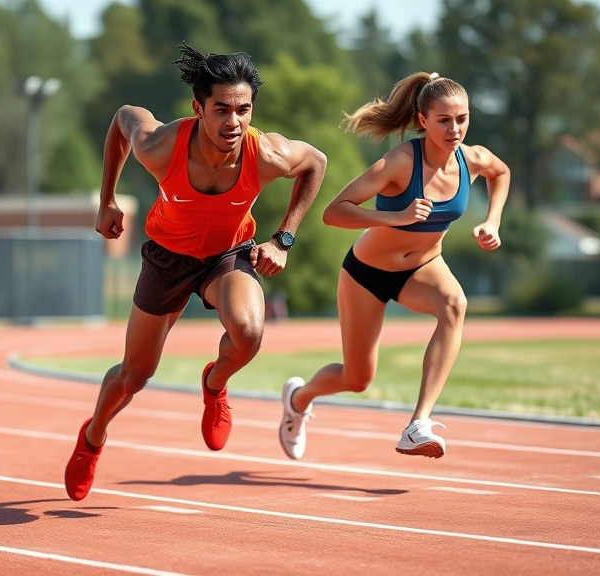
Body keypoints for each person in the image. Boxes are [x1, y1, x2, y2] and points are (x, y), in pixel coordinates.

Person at [65, 42, 328, 501]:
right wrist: (107, 199)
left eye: (243, 110)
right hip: (167, 258)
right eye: (221, 109)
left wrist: (284, 237)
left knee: (248, 333)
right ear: (198, 108)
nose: (233, 121)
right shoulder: (161, 146)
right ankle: (93, 438)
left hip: (227, 255)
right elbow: (124, 118)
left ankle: (215, 382)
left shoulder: (264, 153)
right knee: (134, 375)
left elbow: (316, 163)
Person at [278, 72, 510, 461]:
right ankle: (298, 399)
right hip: (366, 274)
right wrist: (395, 217)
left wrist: (493, 221)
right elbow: (334, 213)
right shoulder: (400, 162)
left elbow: (500, 173)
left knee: (455, 305)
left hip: (423, 267)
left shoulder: (473, 159)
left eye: (462, 119)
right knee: (357, 378)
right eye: (444, 121)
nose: (455, 130)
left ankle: (418, 424)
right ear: (423, 120)